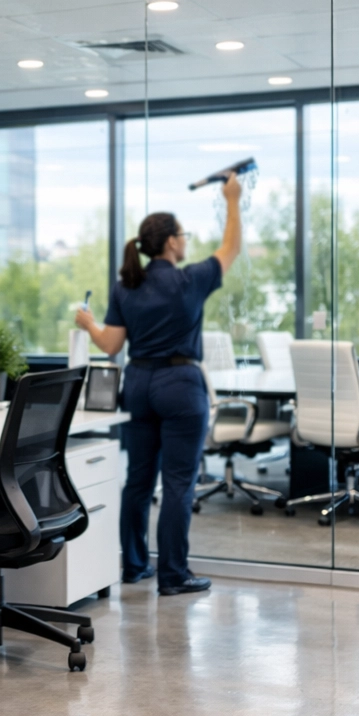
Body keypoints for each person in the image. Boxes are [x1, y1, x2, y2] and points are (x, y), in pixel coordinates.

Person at [74, 177, 243, 596]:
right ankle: (172, 574)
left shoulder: (125, 286)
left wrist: (88, 323)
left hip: (138, 384)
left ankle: (133, 566)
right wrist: (232, 200)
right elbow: (231, 249)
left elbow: (111, 345)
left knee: (138, 482)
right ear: (170, 243)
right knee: (179, 483)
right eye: (182, 235)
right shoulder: (190, 279)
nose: (186, 241)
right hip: (180, 385)